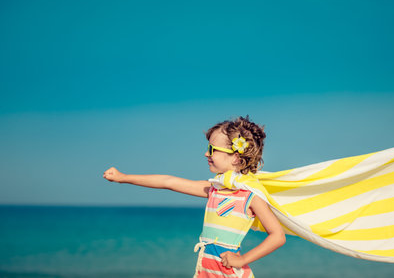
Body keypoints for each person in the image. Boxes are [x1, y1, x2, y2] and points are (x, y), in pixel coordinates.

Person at [103, 116, 285, 277]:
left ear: (235, 158)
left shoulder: (250, 197)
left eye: (212, 149)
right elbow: (168, 182)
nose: (206, 153)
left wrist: (242, 259)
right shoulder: (214, 189)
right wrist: (123, 178)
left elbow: (277, 236)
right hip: (205, 271)